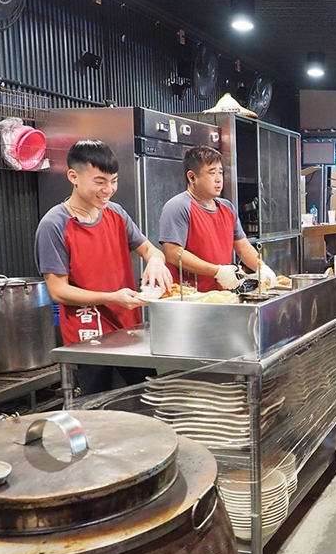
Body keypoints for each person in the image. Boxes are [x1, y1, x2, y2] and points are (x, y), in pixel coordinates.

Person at [34, 139, 173, 395]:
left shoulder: (116, 213)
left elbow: (150, 249)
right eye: (99, 182)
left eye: (114, 181)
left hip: (129, 334)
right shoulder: (54, 224)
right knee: (97, 413)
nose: (108, 190)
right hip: (88, 339)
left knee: (147, 401)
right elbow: (58, 291)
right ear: (73, 176)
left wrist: (155, 260)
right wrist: (112, 298)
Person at [157, 145, 275, 292]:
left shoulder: (227, 208)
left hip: (222, 295)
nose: (219, 179)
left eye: (220, 172)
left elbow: (243, 247)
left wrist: (262, 268)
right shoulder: (178, 206)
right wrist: (217, 271)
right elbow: (174, 254)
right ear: (192, 177)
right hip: (190, 297)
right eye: (212, 173)